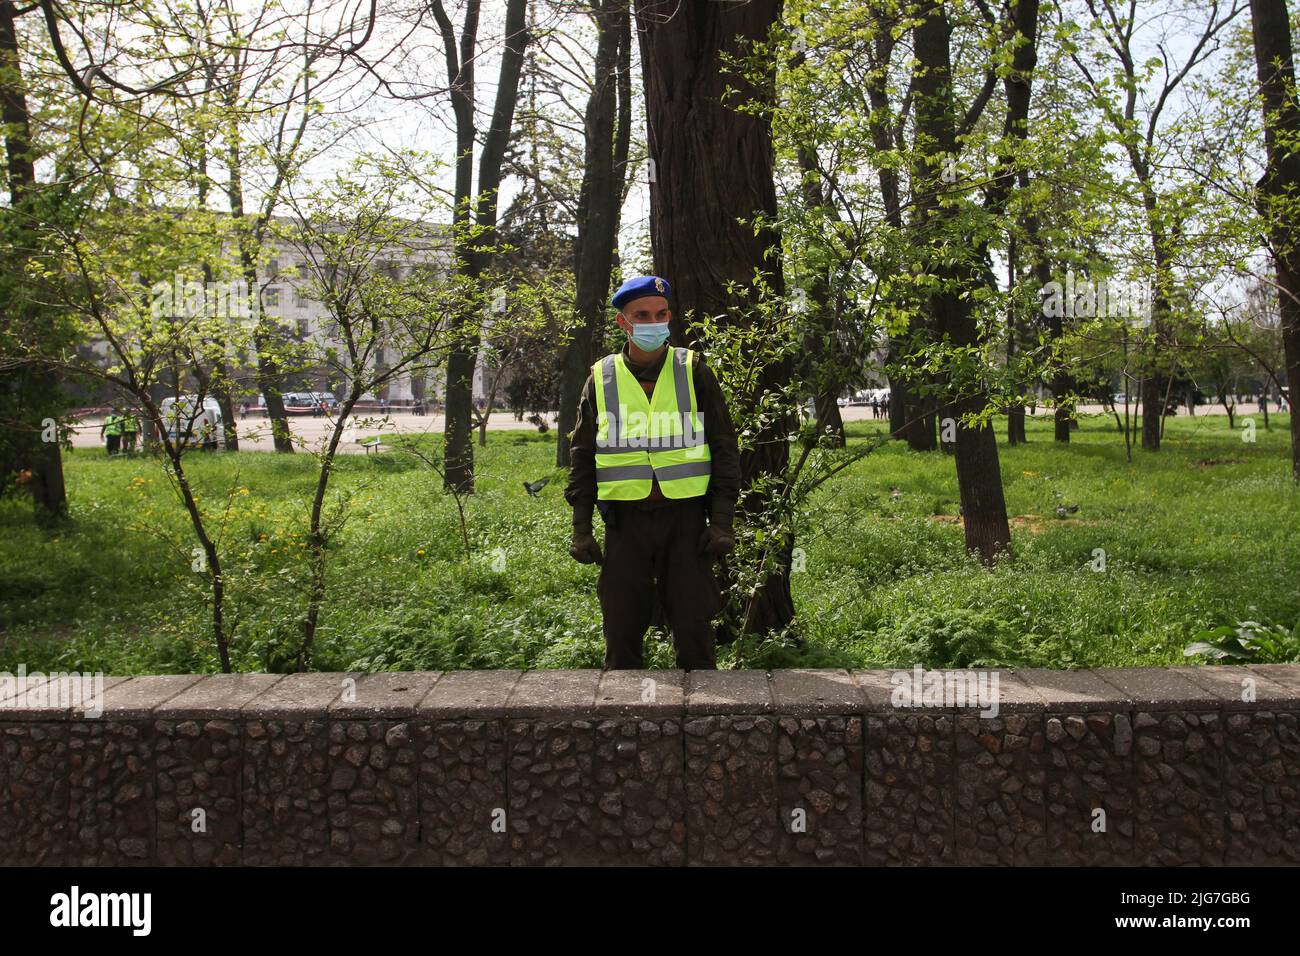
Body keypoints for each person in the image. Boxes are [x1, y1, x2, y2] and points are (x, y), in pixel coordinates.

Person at [565, 274, 740, 671]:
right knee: (621, 628)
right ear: (622, 323)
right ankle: (624, 718)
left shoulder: (693, 370)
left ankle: (701, 720)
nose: (653, 323)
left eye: (660, 314)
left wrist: (723, 521)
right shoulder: (602, 377)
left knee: (694, 628)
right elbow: (583, 456)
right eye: (641, 315)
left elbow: (724, 448)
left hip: (688, 523)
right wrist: (581, 528)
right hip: (625, 524)